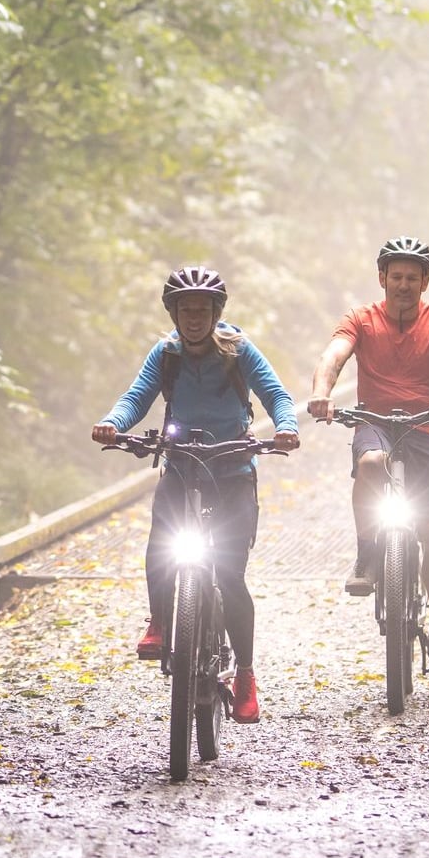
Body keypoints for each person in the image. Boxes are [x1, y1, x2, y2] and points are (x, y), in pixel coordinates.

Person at [90, 265, 300, 724]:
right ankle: (161, 619)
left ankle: (244, 675)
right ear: (174, 312)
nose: (193, 317)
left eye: (202, 309)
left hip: (233, 468)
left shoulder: (239, 350)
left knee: (229, 574)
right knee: (163, 536)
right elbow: (136, 397)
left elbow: (277, 395)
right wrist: (113, 423)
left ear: (215, 312)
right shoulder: (166, 353)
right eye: (185, 309)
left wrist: (285, 426)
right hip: (182, 464)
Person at [302, 235, 429, 679]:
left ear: (425, 282)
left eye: (412, 278)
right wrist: (320, 394)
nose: (403, 285)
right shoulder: (361, 318)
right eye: (396, 276)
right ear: (382, 277)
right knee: (369, 465)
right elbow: (334, 355)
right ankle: (368, 552)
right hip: (374, 420)